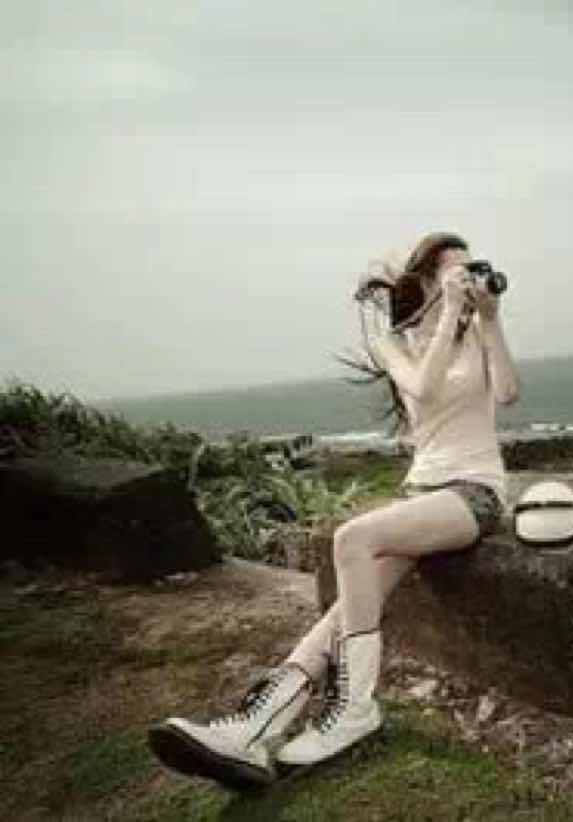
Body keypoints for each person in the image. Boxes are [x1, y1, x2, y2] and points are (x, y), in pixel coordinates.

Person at [148, 231, 521, 788]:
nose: (467, 280)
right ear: (426, 282)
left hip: (474, 493)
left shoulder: (475, 334)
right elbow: (423, 389)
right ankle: (254, 730)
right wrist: (447, 314)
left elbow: (508, 393)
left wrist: (490, 320)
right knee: (344, 612)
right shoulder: (395, 344)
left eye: (472, 269)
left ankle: (354, 710)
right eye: (455, 272)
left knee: (351, 539)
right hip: (422, 496)